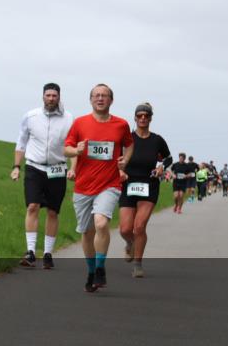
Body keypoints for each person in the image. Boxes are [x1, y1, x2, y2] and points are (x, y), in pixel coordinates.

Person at [64, 83, 134, 292]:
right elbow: (66, 149)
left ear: (111, 100)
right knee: (86, 232)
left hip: (109, 184)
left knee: (101, 223)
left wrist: (125, 161)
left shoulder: (121, 125)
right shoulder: (79, 123)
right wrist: (75, 150)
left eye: (104, 95)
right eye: (97, 95)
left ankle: (101, 267)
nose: (100, 98)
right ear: (91, 100)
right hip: (84, 186)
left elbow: (129, 144)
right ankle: (91, 271)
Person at [11, 83, 76, 270]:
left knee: (53, 211)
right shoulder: (30, 117)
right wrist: (16, 166)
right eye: (48, 95)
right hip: (34, 167)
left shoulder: (69, 118)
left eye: (54, 96)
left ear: (59, 97)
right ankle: (30, 252)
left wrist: (73, 168)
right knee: (32, 206)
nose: (51, 99)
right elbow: (21, 141)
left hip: (57, 169)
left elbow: (73, 145)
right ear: (42, 97)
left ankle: (48, 253)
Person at [118, 103, 172, 278]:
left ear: (150, 118)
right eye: (139, 115)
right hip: (128, 183)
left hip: (149, 184)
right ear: (135, 118)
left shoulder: (157, 140)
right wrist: (119, 171)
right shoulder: (127, 139)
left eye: (146, 116)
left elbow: (168, 158)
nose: (142, 118)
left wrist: (161, 167)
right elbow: (116, 158)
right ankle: (130, 244)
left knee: (139, 226)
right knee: (125, 229)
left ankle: (137, 265)